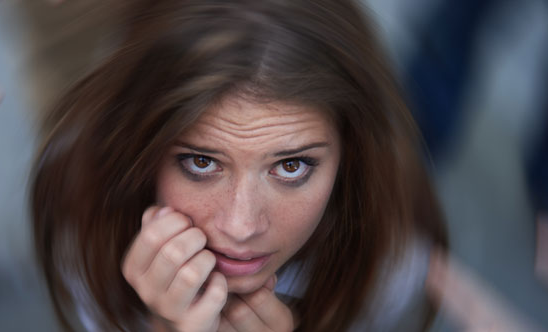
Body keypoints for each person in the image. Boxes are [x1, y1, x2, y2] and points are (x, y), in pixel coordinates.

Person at [30, 0, 448, 330]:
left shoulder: (385, 263)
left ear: (350, 154)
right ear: (139, 147)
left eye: (291, 167)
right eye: (201, 161)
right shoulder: (83, 221)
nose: (241, 226)